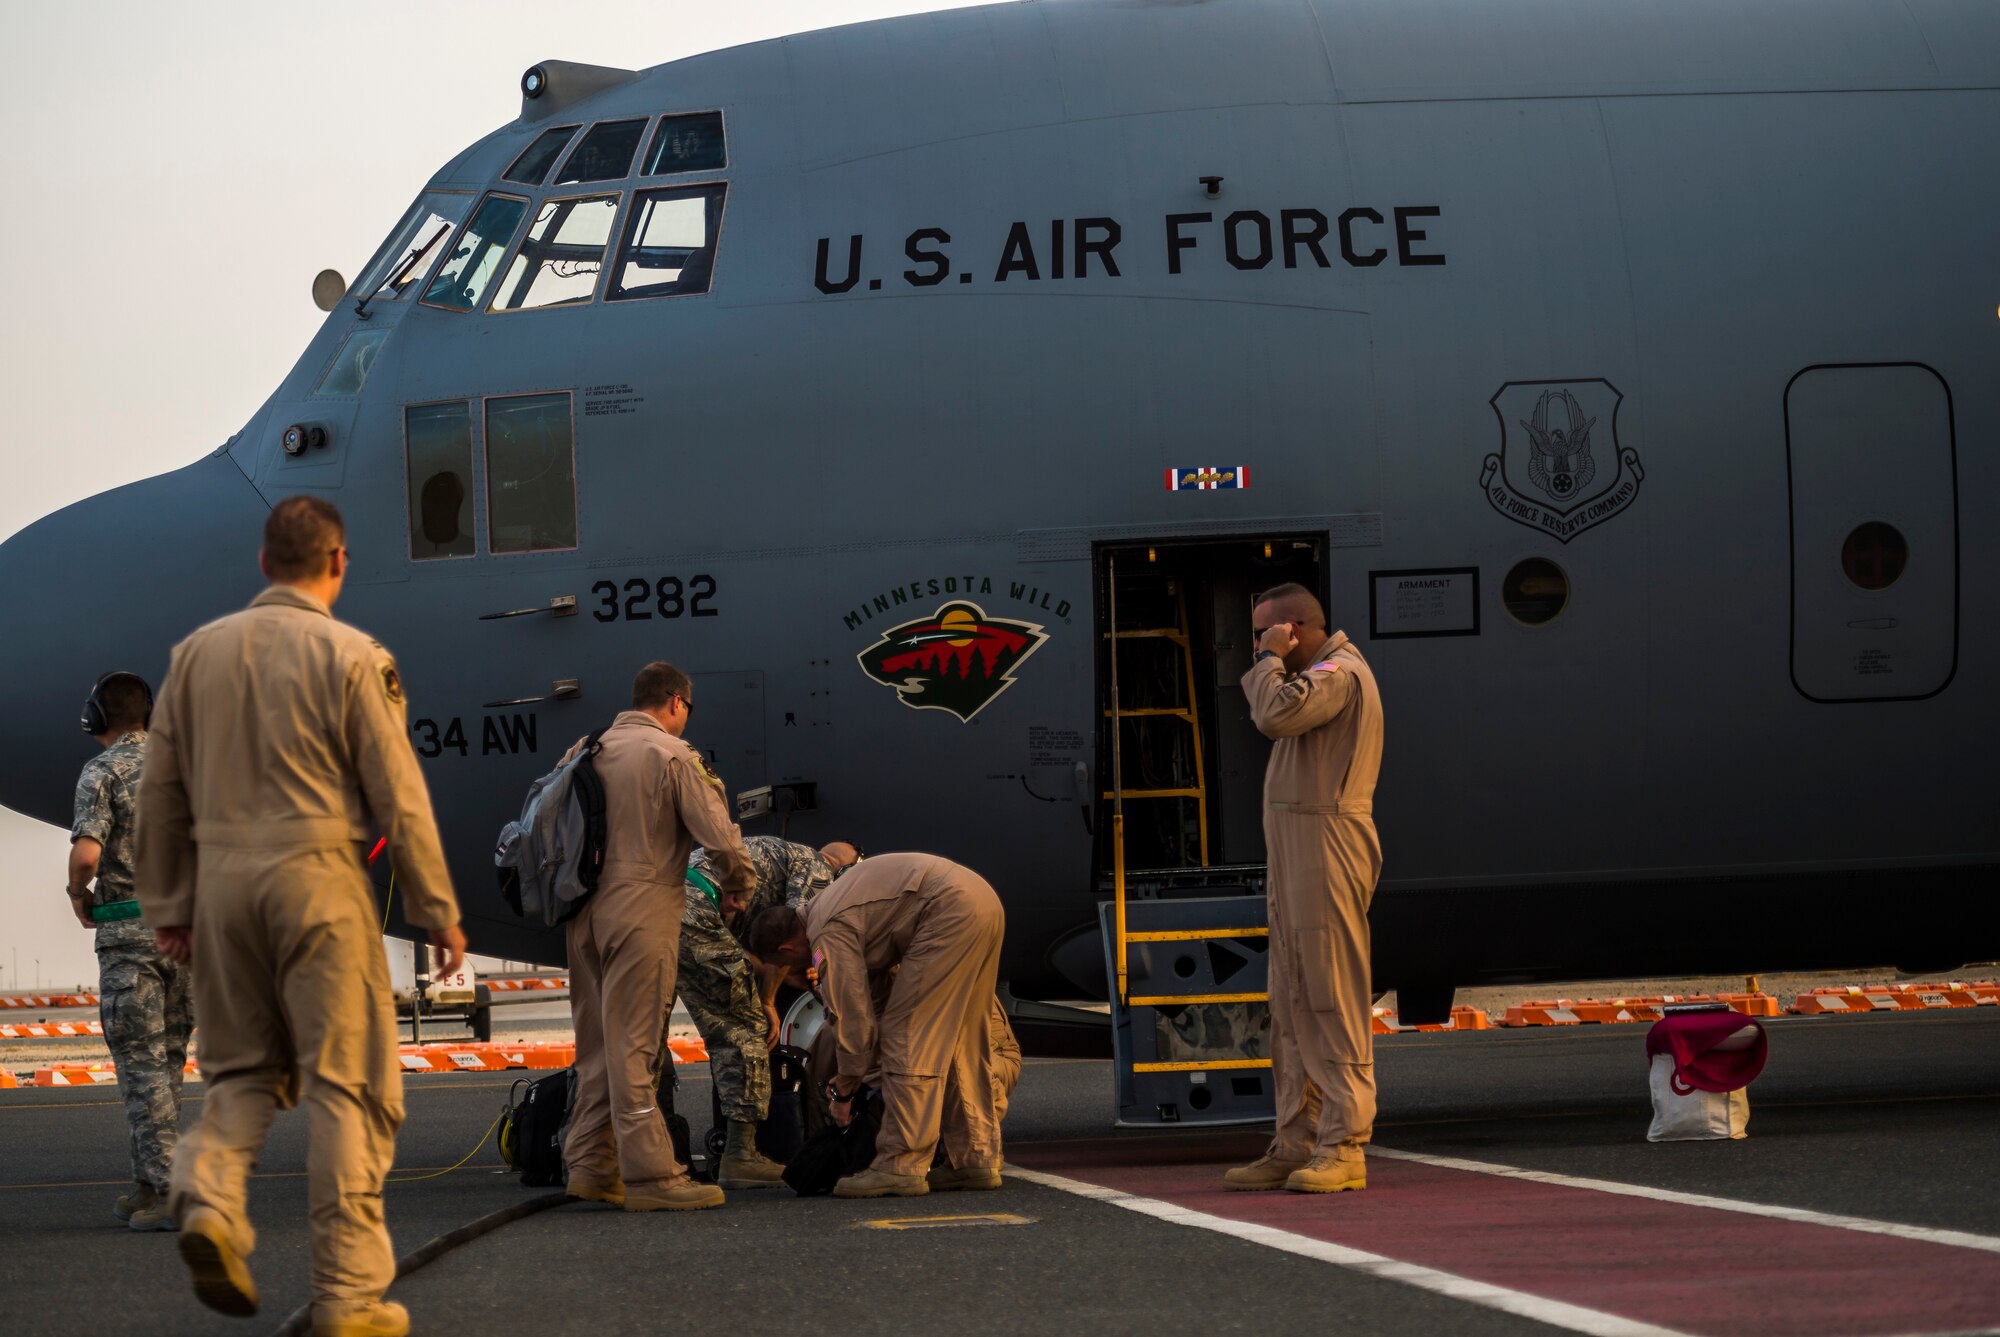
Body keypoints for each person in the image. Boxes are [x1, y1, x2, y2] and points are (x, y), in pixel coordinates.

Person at [135, 497, 466, 1337]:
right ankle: (349, 1293)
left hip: (221, 892)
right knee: (348, 1086)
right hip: (317, 878)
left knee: (242, 1076)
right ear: (338, 561)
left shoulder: (194, 659)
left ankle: (206, 1194)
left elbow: (159, 798)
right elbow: (400, 794)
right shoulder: (355, 657)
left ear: (262, 563)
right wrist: (435, 909)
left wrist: (170, 907)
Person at [561, 661, 752, 1212]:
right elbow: (716, 834)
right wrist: (739, 883)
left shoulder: (583, 748)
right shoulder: (672, 755)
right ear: (675, 702)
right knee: (636, 1044)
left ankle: (592, 1165)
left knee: (596, 1046)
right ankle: (650, 1175)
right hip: (641, 907)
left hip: (581, 914)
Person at [1225, 582, 1384, 1194]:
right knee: (1290, 1001)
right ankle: (1297, 1140)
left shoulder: (1336, 674)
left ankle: (1344, 1144)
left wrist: (1267, 661)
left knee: (1330, 995)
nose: (1260, 645)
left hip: (1327, 844)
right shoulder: (1313, 675)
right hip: (1296, 850)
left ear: (1295, 630)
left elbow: (1272, 716)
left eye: (1267, 633)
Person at [749, 852, 1004, 1198]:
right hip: (980, 899)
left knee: (907, 1038)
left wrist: (846, 1087)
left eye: (787, 964)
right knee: (961, 1042)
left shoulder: (826, 934)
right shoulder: (828, 902)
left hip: (945, 911)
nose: (798, 971)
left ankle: (900, 1165)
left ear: (786, 947)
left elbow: (852, 1018)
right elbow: (876, 998)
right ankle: (974, 1158)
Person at [69, 670, 193, 1233]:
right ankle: (151, 1181)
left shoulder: (102, 771)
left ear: (96, 716)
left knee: (140, 1068)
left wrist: (79, 895)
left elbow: (87, 858)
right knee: (165, 1062)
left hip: (131, 940)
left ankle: (171, 1193)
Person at [678, 835, 860, 1188]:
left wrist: (767, 995)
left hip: (658, 903)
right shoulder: (817, 867)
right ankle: (740, 1155)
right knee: (744, 1030)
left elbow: (774, 944)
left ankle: (616, 1153)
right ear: (844, 868)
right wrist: (767, 1002)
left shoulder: (775, 852)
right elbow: (797, 929)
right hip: (696, 912)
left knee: (643, 1033)